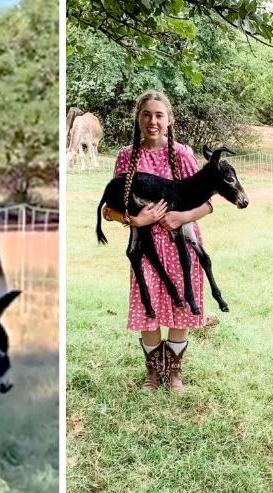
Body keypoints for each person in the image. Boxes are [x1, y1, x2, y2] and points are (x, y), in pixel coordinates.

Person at [101, 90, 215, 393]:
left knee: (181, 308)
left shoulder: (183, 155)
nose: (153, 121)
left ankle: (175, 374)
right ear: (139, 118)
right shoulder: (126, 157)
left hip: (181, 247)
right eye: (147, 114)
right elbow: (109, 209)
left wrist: (180, 218)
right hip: (147, 249)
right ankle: (153, 373)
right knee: (147, 307)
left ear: (169, 119)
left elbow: (207, 204)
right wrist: (136, 220)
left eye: (159, 115)